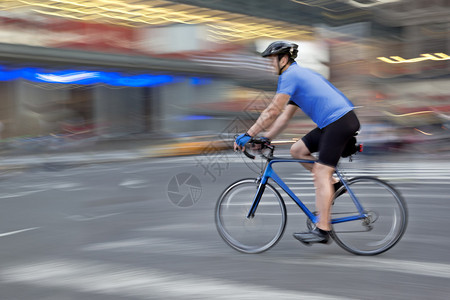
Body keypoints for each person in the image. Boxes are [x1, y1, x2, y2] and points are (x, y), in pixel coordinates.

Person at [234, 41, 360, 244]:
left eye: (271, 61)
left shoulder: (290, 76)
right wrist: (266, 137)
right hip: (334, 122)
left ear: (283, 60)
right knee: (298, 150)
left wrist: (248, 133)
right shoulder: (298, 76)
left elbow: (273, 111)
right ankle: (334, 185)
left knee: (321, 172)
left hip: (339, 121)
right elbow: (283, 117)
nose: (270, 66)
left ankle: (323, 229)